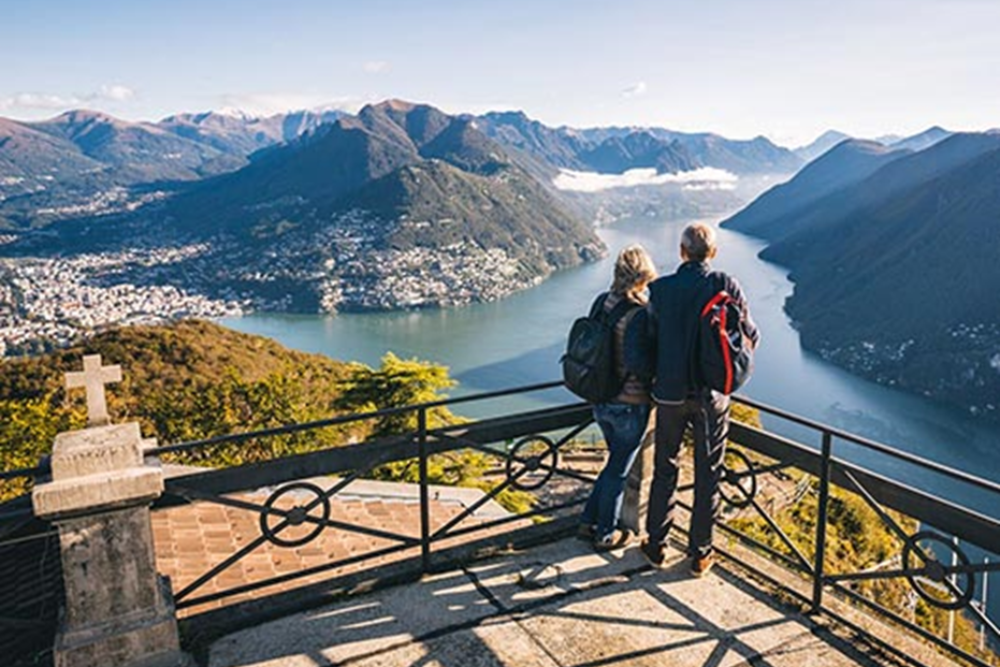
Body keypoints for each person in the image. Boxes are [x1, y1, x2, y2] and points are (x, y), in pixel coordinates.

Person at [639, 223, 759, 575]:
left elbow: (646, 343)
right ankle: (701, 553)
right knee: (709, 474)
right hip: (712, 397)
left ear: (681, 251)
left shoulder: (659, 291)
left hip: (669, 396)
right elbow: (750, 334)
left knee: (666, 467)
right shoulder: (724, 285)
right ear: (713, 253)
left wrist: (655, 380)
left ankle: (657, 544)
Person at [578, 244, 658, 551]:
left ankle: (587, 522)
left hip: (600, 399)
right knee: (618, 471)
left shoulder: (602, 302)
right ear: (641, 277)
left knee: (613, 465)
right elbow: (642, 362)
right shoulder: (640, 312)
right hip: (630, 403)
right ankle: (605, 533)